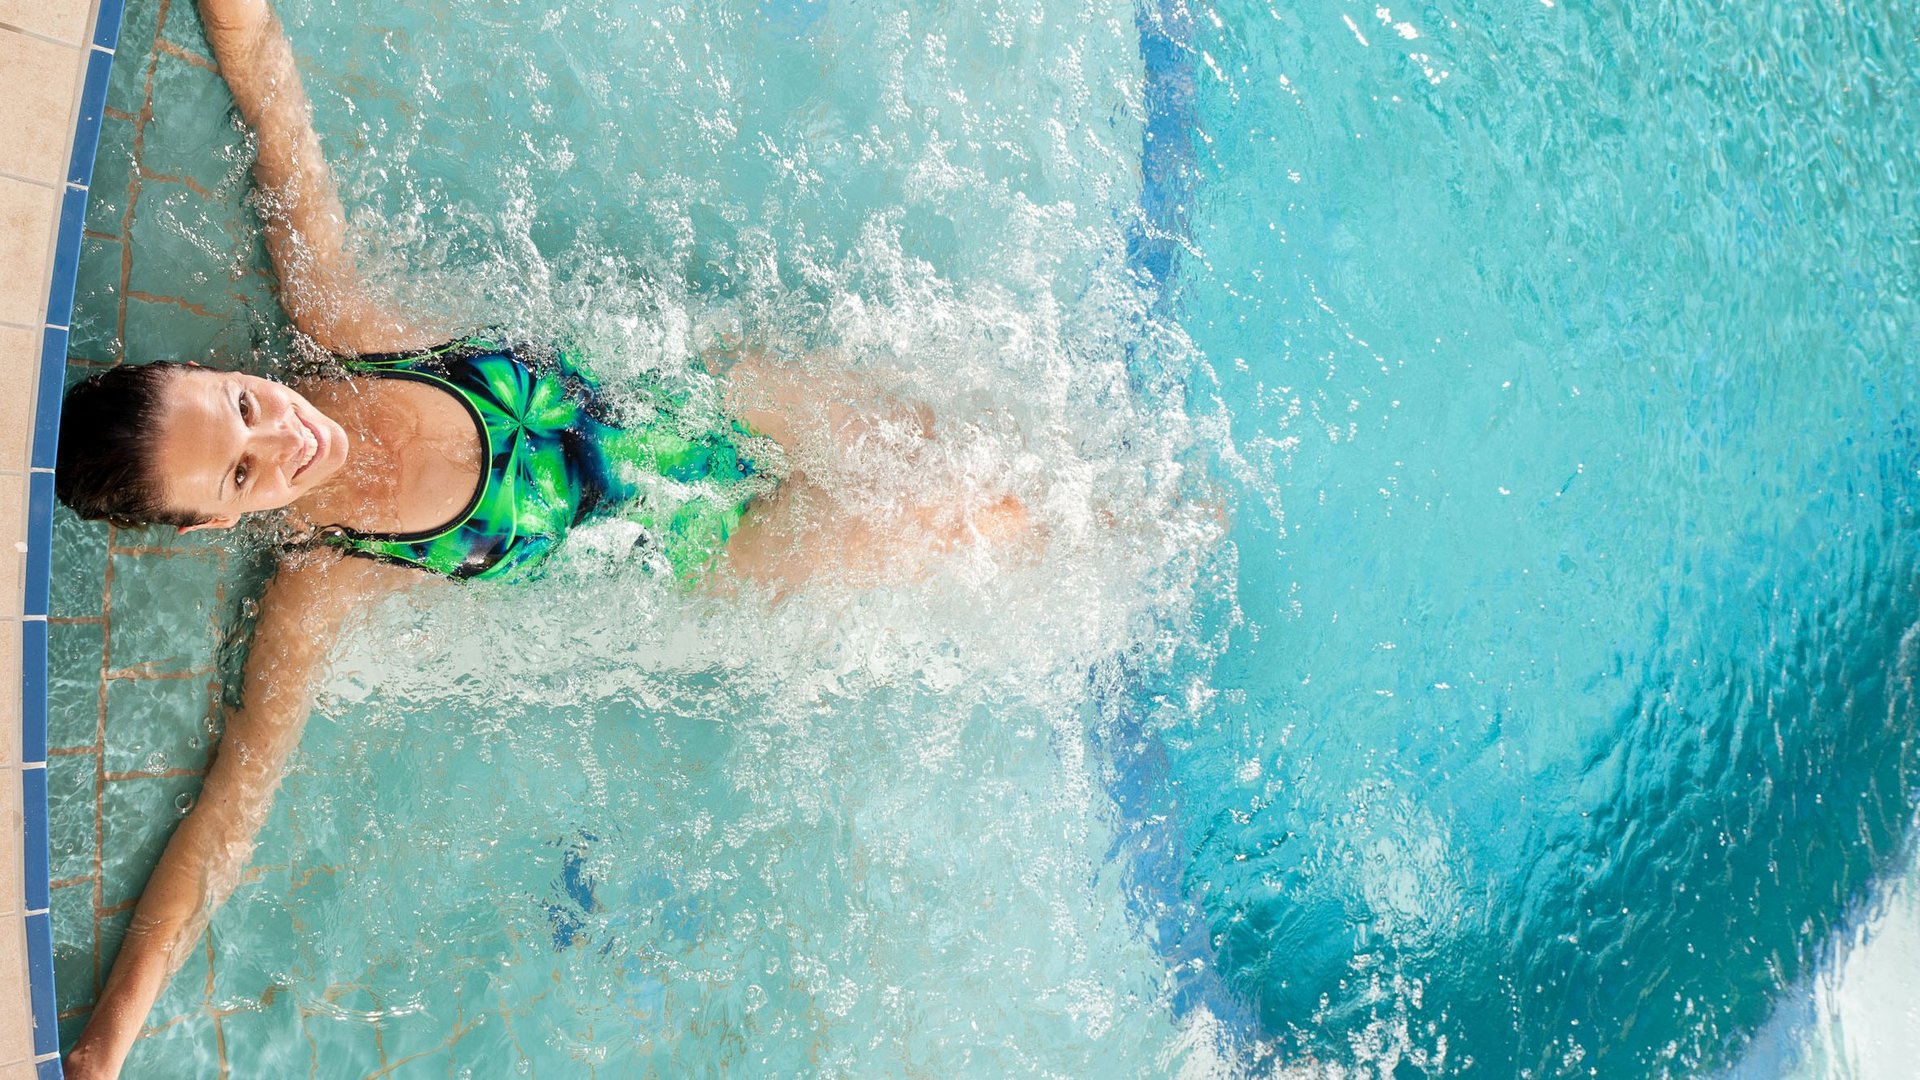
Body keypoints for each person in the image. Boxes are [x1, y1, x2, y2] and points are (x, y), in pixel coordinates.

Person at [58, 0, 1024, 1075]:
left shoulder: (341, 324)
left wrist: (235, 19)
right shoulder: (324, 584)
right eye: (242, 473)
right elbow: (226, 822)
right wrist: (105, 1045)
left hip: (723, 403)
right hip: (708, 555)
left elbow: (275, 103)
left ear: (232, 372)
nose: (285, 438)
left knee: (981, 462)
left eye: (244, 404)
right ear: (218, 523)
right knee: (965, 531)